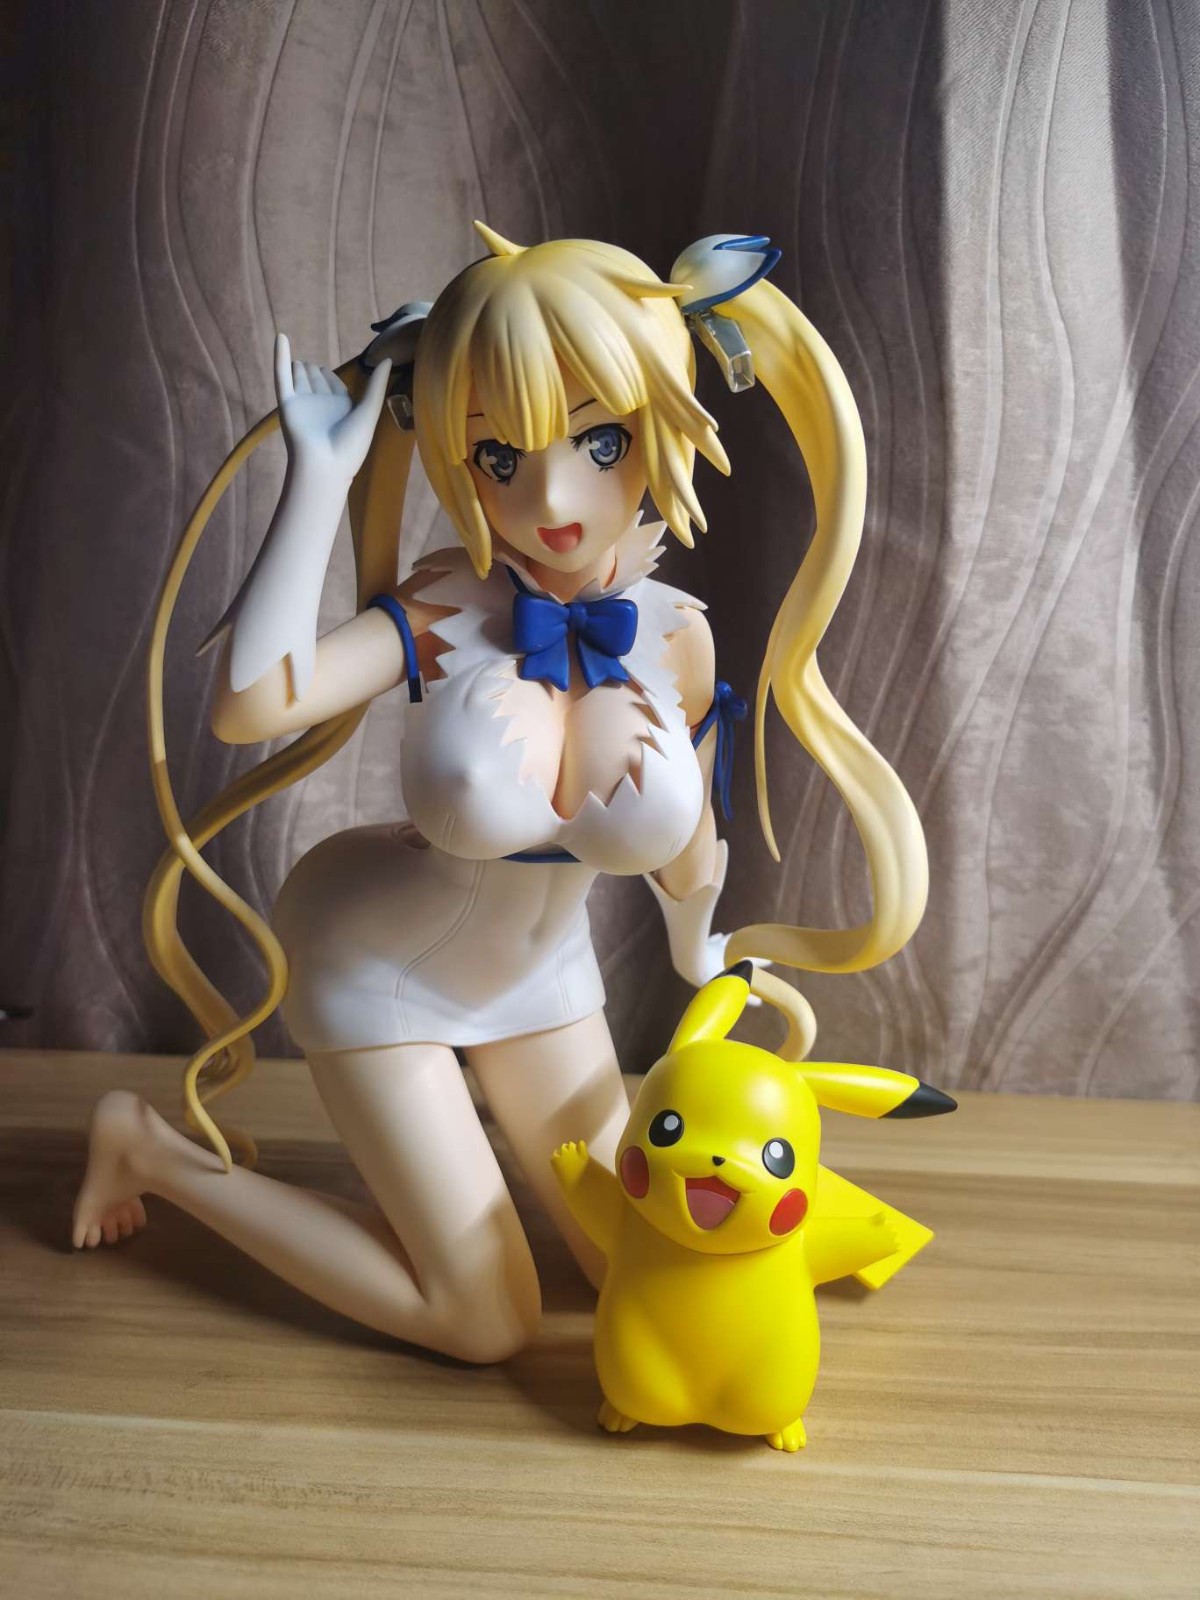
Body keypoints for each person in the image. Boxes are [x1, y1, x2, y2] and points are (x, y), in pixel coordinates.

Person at [72, 229, 928, 1363]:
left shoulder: (675, 631)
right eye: (498, 455)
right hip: (379, 963)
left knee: (643, 1259)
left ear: (659, 422)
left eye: (600, 440)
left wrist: (700, 947)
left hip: (543, 975)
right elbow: (249, 703)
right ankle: (150, 1153)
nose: (553, 497)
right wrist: (319, 480)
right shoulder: (444, 608)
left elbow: (690, 834)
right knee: (485, 1323)